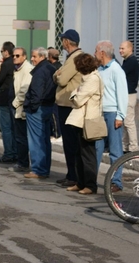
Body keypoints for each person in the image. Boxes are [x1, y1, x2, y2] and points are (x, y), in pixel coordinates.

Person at [65, 53, 104, 194]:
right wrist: (76, 93)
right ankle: (80, 182)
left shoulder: (92, 79)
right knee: (79, 153)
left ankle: (90, 185)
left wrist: (74, 94)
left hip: (88, 121)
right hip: (81, 121)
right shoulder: (87, 78)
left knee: (88, 155)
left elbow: (78, 99)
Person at [94, 40, 128, 193]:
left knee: (115, 150)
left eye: (96, 51)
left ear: (102, 53)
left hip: (113, 113)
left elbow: (122, 94)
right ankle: (90, 180)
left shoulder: (116, 69)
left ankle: (117, 182)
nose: (94, 54)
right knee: (96, 148)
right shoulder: (100, 69)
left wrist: (120, 116)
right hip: (100, 113)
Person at [54, 29, 83, 187]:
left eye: (63, 40)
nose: (62, 42)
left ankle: (74, 175)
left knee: (71, 143)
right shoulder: (72, 57)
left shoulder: (74, 58)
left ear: (67, 41)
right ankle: (71, 174)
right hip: (67, 104)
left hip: (69, 105)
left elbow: (62, 78)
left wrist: (57, 75)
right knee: (70, 143)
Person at [23, 47, 57, 179]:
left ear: (42, 57)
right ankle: (43, 168)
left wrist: (32, 107)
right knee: (44, 140)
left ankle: (38, 169)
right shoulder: (50, 68)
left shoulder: (40, 71)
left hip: (38, 109)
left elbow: (37, 92)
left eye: (34, 56)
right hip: (47, 107)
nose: (32, 59)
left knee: (36, 140)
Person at [9, 47, 33, 172]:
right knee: (19, 137)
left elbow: (24, 89)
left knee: (22, 138)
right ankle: (21, 161)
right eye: (13, 55)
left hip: (21, 108)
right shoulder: (17, 69)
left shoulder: (27, 69)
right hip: (18, 108)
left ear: (24, 57)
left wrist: (15, 103)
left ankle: (23, 163)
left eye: (17, 55)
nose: (14, 57)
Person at [119, 41, 139, 153]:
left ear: (130, 49)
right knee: (126, 122)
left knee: (129, 122)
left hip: (129, 95)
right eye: (120, 48)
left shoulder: (132, 61)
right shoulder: (127, 61)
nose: (120, 50)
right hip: (126, 94)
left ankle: (133, 147)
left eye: (123, 48)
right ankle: (125, 146)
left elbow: (121, 74)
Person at [48, 48, 62, 140]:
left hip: (54, 94)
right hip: (56, 94)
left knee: (54, 116)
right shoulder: (60, 66)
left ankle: (57, 134)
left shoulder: (54, 68)